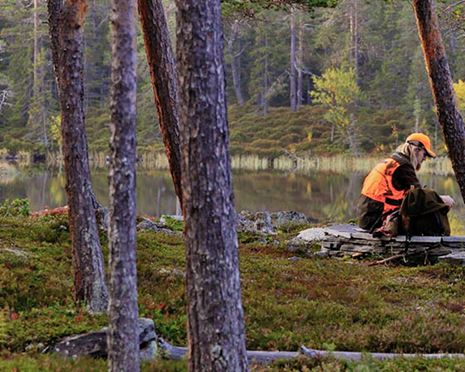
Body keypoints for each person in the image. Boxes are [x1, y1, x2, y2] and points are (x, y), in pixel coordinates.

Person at [358, 133, 455, 232]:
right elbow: (419, 197)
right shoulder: (403, 166)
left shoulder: (393, 161)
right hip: (377, 220)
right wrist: (440, 199)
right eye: (425, 154)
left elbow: (412, 197)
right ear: (416, 150)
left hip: (367, 219)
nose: (425, 158)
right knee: (433, 214)